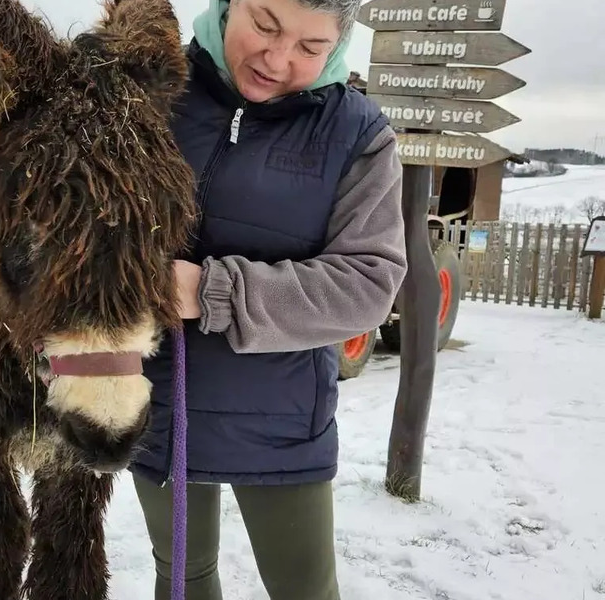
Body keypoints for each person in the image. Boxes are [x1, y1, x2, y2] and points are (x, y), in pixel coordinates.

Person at [129, 0, 408, 599]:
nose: (277, 60)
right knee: (181, 576)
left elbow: (368, 284)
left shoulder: (356, 134)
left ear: (338, 45)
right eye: (264, 24)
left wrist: (214, 292)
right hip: (155, 401)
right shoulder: (146, 90)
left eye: (311, 48)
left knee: (304, 590)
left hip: (281, 416)